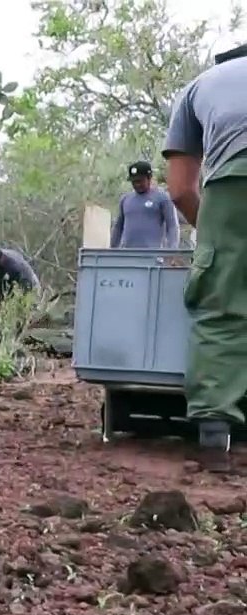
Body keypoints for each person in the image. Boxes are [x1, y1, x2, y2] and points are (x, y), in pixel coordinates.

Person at [162, 51, 247, 470]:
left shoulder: (198, 86)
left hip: (234, 184)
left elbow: (179, 189)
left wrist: (211, 236)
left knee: (221, 305)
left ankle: (215, 437)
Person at [109, 161, 180, 249]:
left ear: (149, 178)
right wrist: (112, 249)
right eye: (134, 181)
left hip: (152, 256)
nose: (137, 184)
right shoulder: (125, 199)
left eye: (140, 181)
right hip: (127, 255)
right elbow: (118, 227)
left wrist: (173, 250)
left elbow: (172, 226)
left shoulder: (162, 198)